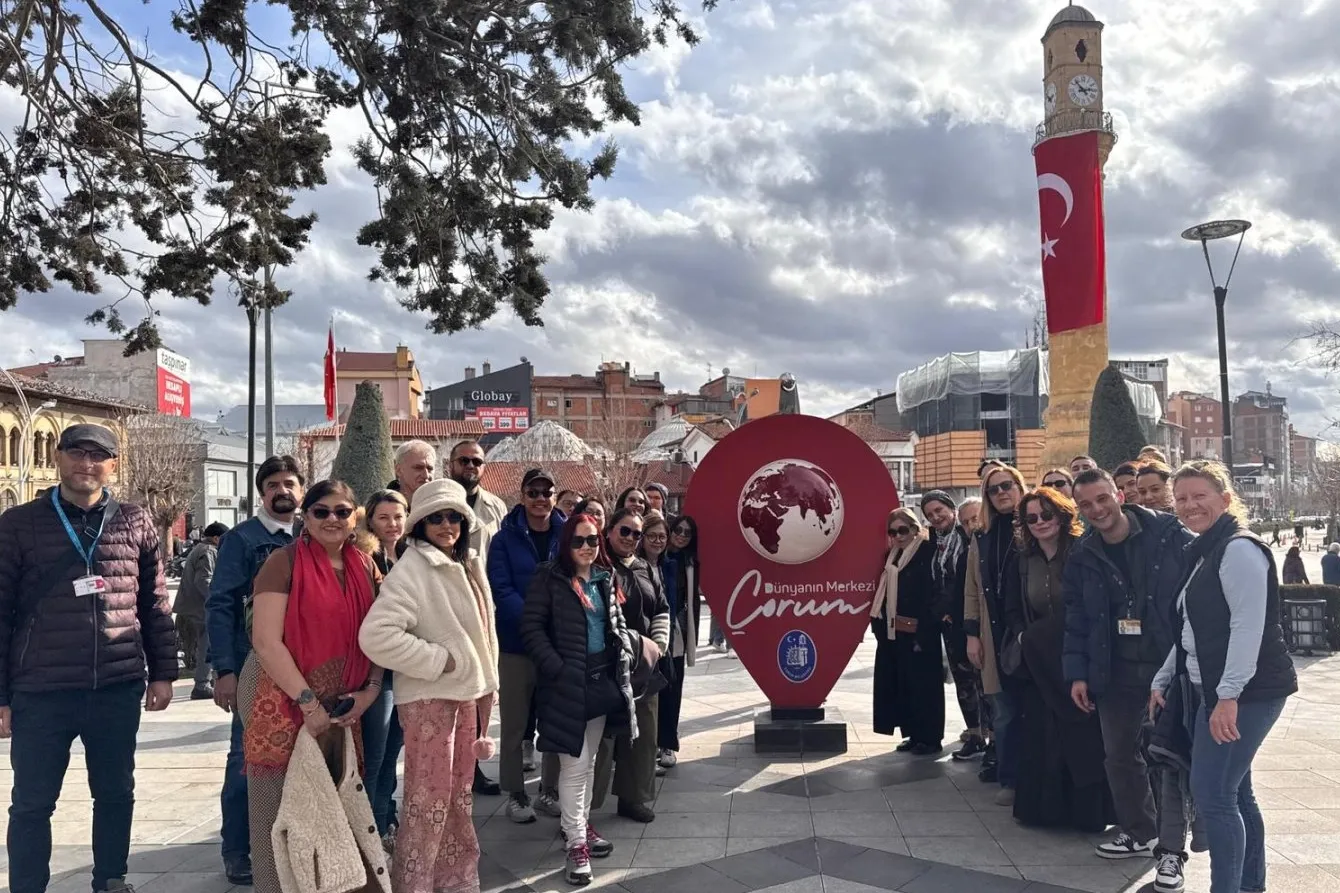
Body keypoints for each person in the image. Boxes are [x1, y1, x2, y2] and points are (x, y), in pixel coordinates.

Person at [0, 423, 178, 893]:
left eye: (98, 455)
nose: (86, 463)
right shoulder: (18, 523)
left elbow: (154, 603)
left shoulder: (135, 521)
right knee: (33, 802)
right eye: (77, 453)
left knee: (116, 793)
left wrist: (163, 672)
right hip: (42, 689)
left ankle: (111, 880)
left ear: (113, 465)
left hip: (115, 685)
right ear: (59, 457)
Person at [1151, 461, 1297, 893]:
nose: (1189, 505)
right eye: (1181, 498)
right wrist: (1163, 677)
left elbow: (1248, 628)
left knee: (1213, 795)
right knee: (1236, 794)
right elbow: (1192, 629)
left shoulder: (1237, 549)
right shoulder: (1206, 550)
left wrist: (1227, 696)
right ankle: (1249, 886)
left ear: (1226, 499)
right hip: (1215, 689)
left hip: (1245, 694)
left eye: (1200, 496)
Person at [359, 478, 500, 893]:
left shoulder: (467, 562)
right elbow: (376, 635)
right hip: (431, 699)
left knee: (457, 797)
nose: (446, 525)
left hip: (464, 695)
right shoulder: (414, 568)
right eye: (436, 518)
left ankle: (455, 878)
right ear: (420, 523)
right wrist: (441, 660)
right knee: (428, 800)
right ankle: (415, 883)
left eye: (454, 517)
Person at [243, 480, 384, 893]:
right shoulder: (283, 563)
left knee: (335, 806)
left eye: (342, 511)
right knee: (278, 811)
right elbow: (266, 641)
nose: (332, 519)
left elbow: (381, 633)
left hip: (342, 701)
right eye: (321, 511)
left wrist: (371, 690)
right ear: (305, 516)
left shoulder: (366, 565)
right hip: (279, 693)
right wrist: (307, 703)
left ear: (355, 517)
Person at [1066, 468, 1194, 870]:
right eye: (1086, 505)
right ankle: (1140, 831)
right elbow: (1077, 617)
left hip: (1167, 664)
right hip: (1114, 667)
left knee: (1169, 758)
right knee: (1119, 756)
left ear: (1120, 495)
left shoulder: (1167, 534)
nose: (1096, 509)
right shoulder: (1083, 552)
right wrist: (1078, 673)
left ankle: (1172, 847)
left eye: (1102, 498)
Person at [522, 514, 638, 886]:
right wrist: (556, 667)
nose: (586, 547)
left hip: (600, 681)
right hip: (565, 686)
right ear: (566, 543)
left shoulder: (605, 577)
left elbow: (615, 623)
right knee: (574, 766)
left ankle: (580, 826)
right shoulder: (549, 578)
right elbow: (531, 628)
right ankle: (576, 844)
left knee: (588, 765)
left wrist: (624, 653)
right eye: (578, 541)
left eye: (592, 540)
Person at [206, 454, 304, 885]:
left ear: (301, 489)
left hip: (303, 668)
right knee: (246, 761)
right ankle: (238, 849)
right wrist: (224, 670)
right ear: (261, 493)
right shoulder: (242, 540)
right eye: (273, 485)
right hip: (254, 667)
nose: (282, 491)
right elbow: (220, 604)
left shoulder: (310, 533)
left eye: (289, 483)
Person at [1005, 486, 1113, 832]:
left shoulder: (1084, 551)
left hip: (1080, 656)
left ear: (1063, 515)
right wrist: (1024, 637)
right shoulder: (1023, 560)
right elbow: (1013, 607)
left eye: (1047, 514)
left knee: (1082, 736)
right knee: (1042, 735)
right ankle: (1045, 812)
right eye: (1031, 518)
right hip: (1040, 661)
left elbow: (1093, 605)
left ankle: (1088, 814)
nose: (1040, 522)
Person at [487, 468, 565, 822]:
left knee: (554, 722)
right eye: (533, 492)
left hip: (557, 644)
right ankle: (516, 793)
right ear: (522, 496)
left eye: (547, 492)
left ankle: (549, 790)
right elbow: (501, 588)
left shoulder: (567, 534)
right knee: (515, 724)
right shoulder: (504, 539)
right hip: (516, 645)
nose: (540, 498)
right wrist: (535, 622)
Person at [591, 509, 670, 823]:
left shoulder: (645, 567)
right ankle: (586, 807)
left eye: (637, 534)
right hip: (606, 665)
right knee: (602, 740)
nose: (631, 539)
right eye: (625, 531)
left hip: (643, 665)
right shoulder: (597, 565)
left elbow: (661, 608)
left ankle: (633, 798)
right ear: (609, 530)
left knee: (643, 735)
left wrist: (657, 647)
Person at [446, 439, 509, 795]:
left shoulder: (495, 507)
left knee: (480, 691)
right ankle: (449, 765)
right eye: (464, 460)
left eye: (476, 461)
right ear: (451, 464)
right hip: (446, 609)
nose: (470, 466)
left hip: (484, 609)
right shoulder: (437, 502)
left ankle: (472, 766)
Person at [964, 464, 1025, 801]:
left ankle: (1036, 780)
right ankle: (1010, 779)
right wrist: (972, 634)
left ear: (1019, 486)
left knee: (1032, 706)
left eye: (1007, 485)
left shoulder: (1034, 524)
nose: (1001, 493)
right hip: (992, 631)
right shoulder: (981, 535)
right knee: (1002, 710)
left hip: (1028, 631)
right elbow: (972, 589)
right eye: (993, 489)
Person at [869, 507, 945, 754]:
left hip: (921, 631)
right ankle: (913, 734)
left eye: (903, 530)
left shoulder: (928, 551)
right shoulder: (892, 556)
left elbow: (934, 593)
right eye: (893, 532)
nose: (898, 536)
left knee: (926, 687)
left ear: (914, 528)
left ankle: (930, 738)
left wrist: (925, 631)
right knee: (904, 685)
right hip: (895, 632)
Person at [361, 488, 410, 847]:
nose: (392, 524)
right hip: (376, 671)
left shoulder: (412, 554)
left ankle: (385, 818)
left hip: (406, 668)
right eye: (383, 517)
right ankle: (372, 833)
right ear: (370, 521)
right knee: (374, 757)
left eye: (398, 516)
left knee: (393, 753)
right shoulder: (364, 558)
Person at [921, 491, 984, 760]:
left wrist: (953, 611)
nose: (936, 517)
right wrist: (940, 612)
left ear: (951, 509)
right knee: (963, 681)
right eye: (930, 514)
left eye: (939, 510)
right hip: (949, 624)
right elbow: (933, 582)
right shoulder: (933, 542)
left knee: (982, 680)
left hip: (970, 619)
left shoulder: (967, 537)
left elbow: (966, 583)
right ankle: (975, 734)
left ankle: (990, 735)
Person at [660, 514, 700, 768]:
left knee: (674, 688)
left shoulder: (691, 562)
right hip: (655, 629)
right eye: (678, 530)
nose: (682, 536)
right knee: (656, 689)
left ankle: (667, 743)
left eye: (687, 533)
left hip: (678, 630)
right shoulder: (656, 558)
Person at [178, 522, 230, 701]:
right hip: (200, 609)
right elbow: (203, 580)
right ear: (216, 538)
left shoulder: (202, 549)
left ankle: (206, 681)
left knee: (207, 646)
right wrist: (218, 602)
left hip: (197, 607)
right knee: (207, 646)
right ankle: (201, 685)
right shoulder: (207, 551)